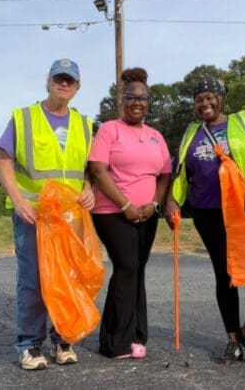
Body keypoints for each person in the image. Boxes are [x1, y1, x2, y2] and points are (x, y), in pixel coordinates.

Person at [164, 78, 245, 367]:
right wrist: (172, 201)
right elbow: (178, 171)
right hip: (207, 211)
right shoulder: (191, 132)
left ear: (221, 98)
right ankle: (233, 341)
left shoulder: (244, 122)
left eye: (210, 97)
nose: (205, 103)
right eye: (199, 99)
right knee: (225, 273)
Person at [0, 58, 96, 371]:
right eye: (59, 78)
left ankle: (63, 339)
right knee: (34, 280)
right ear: (48, 81)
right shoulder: (24, 118)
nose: (64, 84)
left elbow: (88, 168)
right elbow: (2, 160)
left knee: (69, 278)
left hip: (70, 216)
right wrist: (18, 200)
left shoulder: (84, 124)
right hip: (33, 214)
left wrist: (89, 188)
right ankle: (29, 345)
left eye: (70, 80)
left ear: (77, 87)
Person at [87, 67, 172, 359]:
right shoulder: (109, 130)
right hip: (112, 211)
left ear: (148, 102)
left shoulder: (156, 136)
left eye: (142, 98)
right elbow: (98, 170)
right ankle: (115, 343)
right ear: (122, 100)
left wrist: (155, 204)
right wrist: (126, 205)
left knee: (137, 269)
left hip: (147, 214)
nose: (137, 102)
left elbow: (165, 175)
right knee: (127, 267)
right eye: (131, 97)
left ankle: (137, 335)